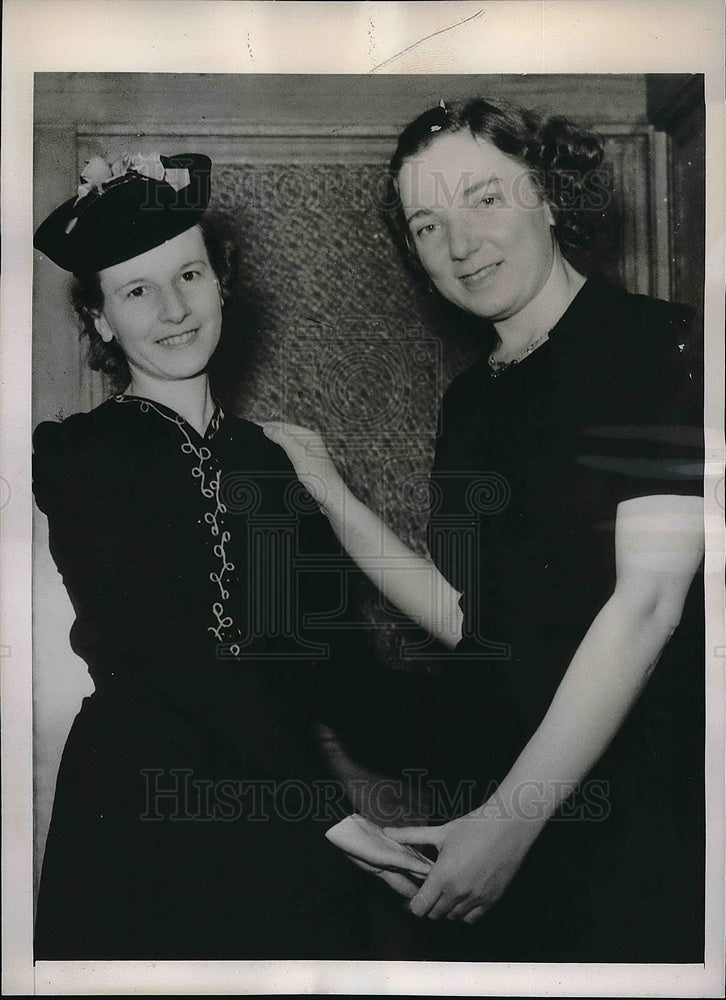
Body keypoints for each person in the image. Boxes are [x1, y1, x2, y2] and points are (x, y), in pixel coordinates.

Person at [267, 98, 705, 962]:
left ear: (550, 195)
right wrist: (327, 489)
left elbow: (649, 604)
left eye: (485, 199)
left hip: (647, 805)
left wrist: (508, 827)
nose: (459, 243)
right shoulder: (472, 400)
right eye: (428, 224)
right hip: (508, 800)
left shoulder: (662, 345)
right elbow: (470, 619)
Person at [31, 151, 432, 960]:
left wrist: (513, 718)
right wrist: (331, 814)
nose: (173, 308)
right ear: (102, 319)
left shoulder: (278, 460)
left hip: (286, 831)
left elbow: (334, 665)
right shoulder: (80, 456)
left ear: (222, 283)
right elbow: (172, 654)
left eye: (190, 275)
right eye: (137, 289)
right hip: (140, 816)